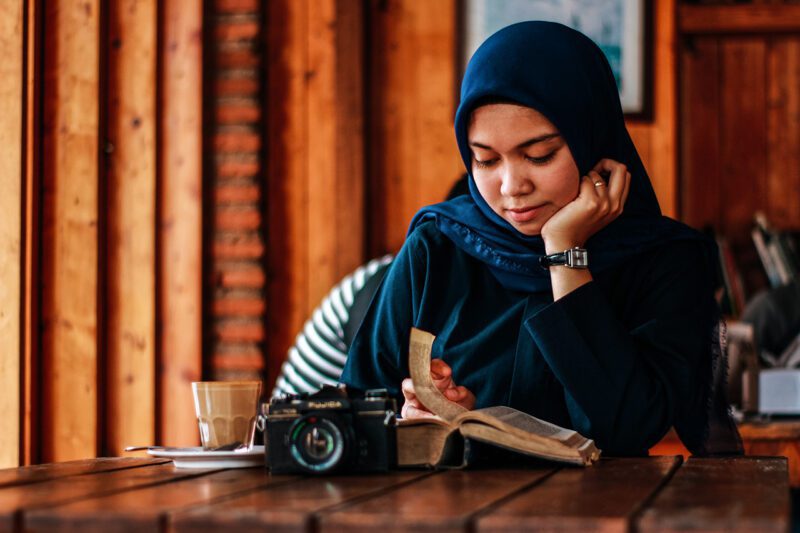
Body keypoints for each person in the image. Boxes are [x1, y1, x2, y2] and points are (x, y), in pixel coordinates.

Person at [340, 21, 742, 456]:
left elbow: (625, 429)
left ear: (592, 140)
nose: (512, 186)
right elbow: (358, 409)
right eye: (486, 160)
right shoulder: (437, 249)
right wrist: (414, 419)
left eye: (539, 155)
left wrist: (566, 255)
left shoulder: (663, 262)